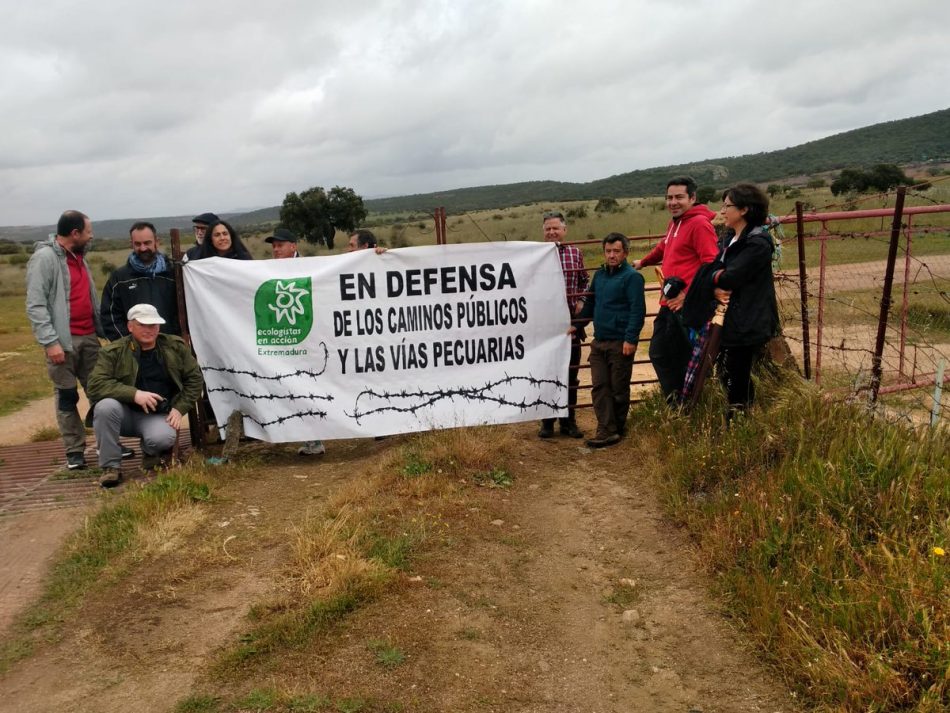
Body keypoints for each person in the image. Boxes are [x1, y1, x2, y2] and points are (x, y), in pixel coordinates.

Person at [88, 304, 204, 487]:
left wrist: (179, 408)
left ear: (159, 327)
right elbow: (95, 385)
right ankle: (111, 467)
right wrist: (134, 394)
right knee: (104, 407)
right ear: (130, 327)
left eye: (153, 325)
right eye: (142, 325)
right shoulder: (113, 352)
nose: (149, 330)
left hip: (157, 415)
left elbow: (195, 379)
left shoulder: (175, 346)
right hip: (124, 414)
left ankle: (150, 452)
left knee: (163, 437)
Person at [25, 210, 105, 470]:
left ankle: (108, 443)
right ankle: (74, 451)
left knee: (101, 393)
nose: (90, 238)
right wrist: (50, 342)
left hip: (89, 336)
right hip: (63, 341)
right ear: (75, 234)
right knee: (67, 396)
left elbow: (87, 297)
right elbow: (36, 305)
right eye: (88, 233)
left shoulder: (80, 257)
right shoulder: (45, 259)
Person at [633, 176, 718, 402]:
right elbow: (664, 247)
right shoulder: (675, 223)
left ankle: (687, 403)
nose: (673, 202)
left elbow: (711, 264)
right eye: (669, 197)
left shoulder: (699, 224)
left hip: (685, 306)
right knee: (663, 354)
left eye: (679, 197)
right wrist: (643, 262)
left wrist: (687, 296)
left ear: (692, 198)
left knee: (678, 356)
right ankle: (680, 402)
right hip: (669, 302)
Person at [708, 184, 779, 410]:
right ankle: (737, 419)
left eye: (727, 205)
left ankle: (739, 421)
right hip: (733, 319)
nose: (722, 211)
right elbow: (714, 271)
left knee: (739, 376)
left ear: (744, 210)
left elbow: (730, 277)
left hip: (747, 320)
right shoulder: (731, 238)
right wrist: (715, 277)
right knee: (731, 373)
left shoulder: (757, 243)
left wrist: (713, 276)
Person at [578, 233, 646, 448]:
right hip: (599, 340)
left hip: (620, 341)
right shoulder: (599, 276)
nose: (612, 255)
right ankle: (606, 429)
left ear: (625, 253)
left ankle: (617, 426)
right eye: (608, 251)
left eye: (616, 251)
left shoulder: (632, 277)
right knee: (599, 386)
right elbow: (589, 304)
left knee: (618, 387)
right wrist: (577, 325)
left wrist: (631, 338)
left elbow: (637, 310)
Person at [266, 227, 326, 456]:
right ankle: (310, 438)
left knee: (311, 386)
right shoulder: (270, 269)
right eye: (273, 246)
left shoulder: (309, 267)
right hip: (289, 338)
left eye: (280, 245)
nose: (275, 250)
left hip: (312, 336)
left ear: (294, 246)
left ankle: (318, 437)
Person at [537, 210, 588, 439]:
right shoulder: (534, 257)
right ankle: (547, 422)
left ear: (564, 230)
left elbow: (584, 280)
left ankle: (569, 421)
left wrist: (581, 300)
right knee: (546, 372)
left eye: (555, 228)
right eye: (547, 229)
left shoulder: (575, 254)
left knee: (571, 373)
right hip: (544, 326)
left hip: (570, 324)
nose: (551, 232)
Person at [100, 221, 180, 340]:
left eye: (147, 243)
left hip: (170, 347)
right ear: (131, 244)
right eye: (137, 244)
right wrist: (127, 345)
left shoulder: (174, 275)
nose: (143, 248)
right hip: (134, 351)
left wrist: (176, 342)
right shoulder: (119, 278)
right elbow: (110, 316)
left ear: (156, 242)